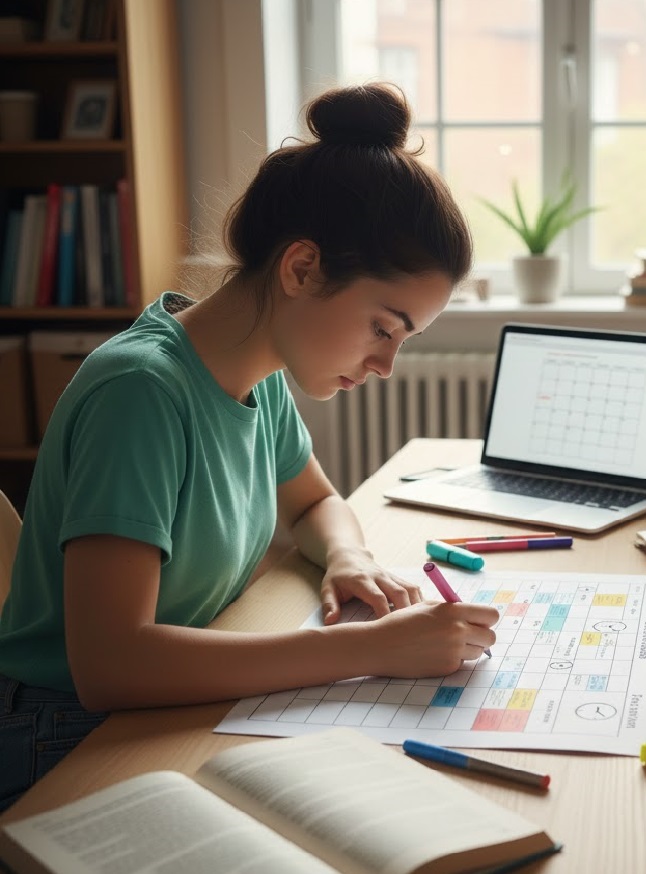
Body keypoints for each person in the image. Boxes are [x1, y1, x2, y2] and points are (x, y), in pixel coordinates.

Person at [0, 82, 499, 813]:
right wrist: (370, 650)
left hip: (160, 700)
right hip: (60, 733)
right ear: (301, 268)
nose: (385, 365)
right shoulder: (140, 392)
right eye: (383, 328)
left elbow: (317, 502)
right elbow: (111, 664)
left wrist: (348, 559)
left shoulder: (255, 374)